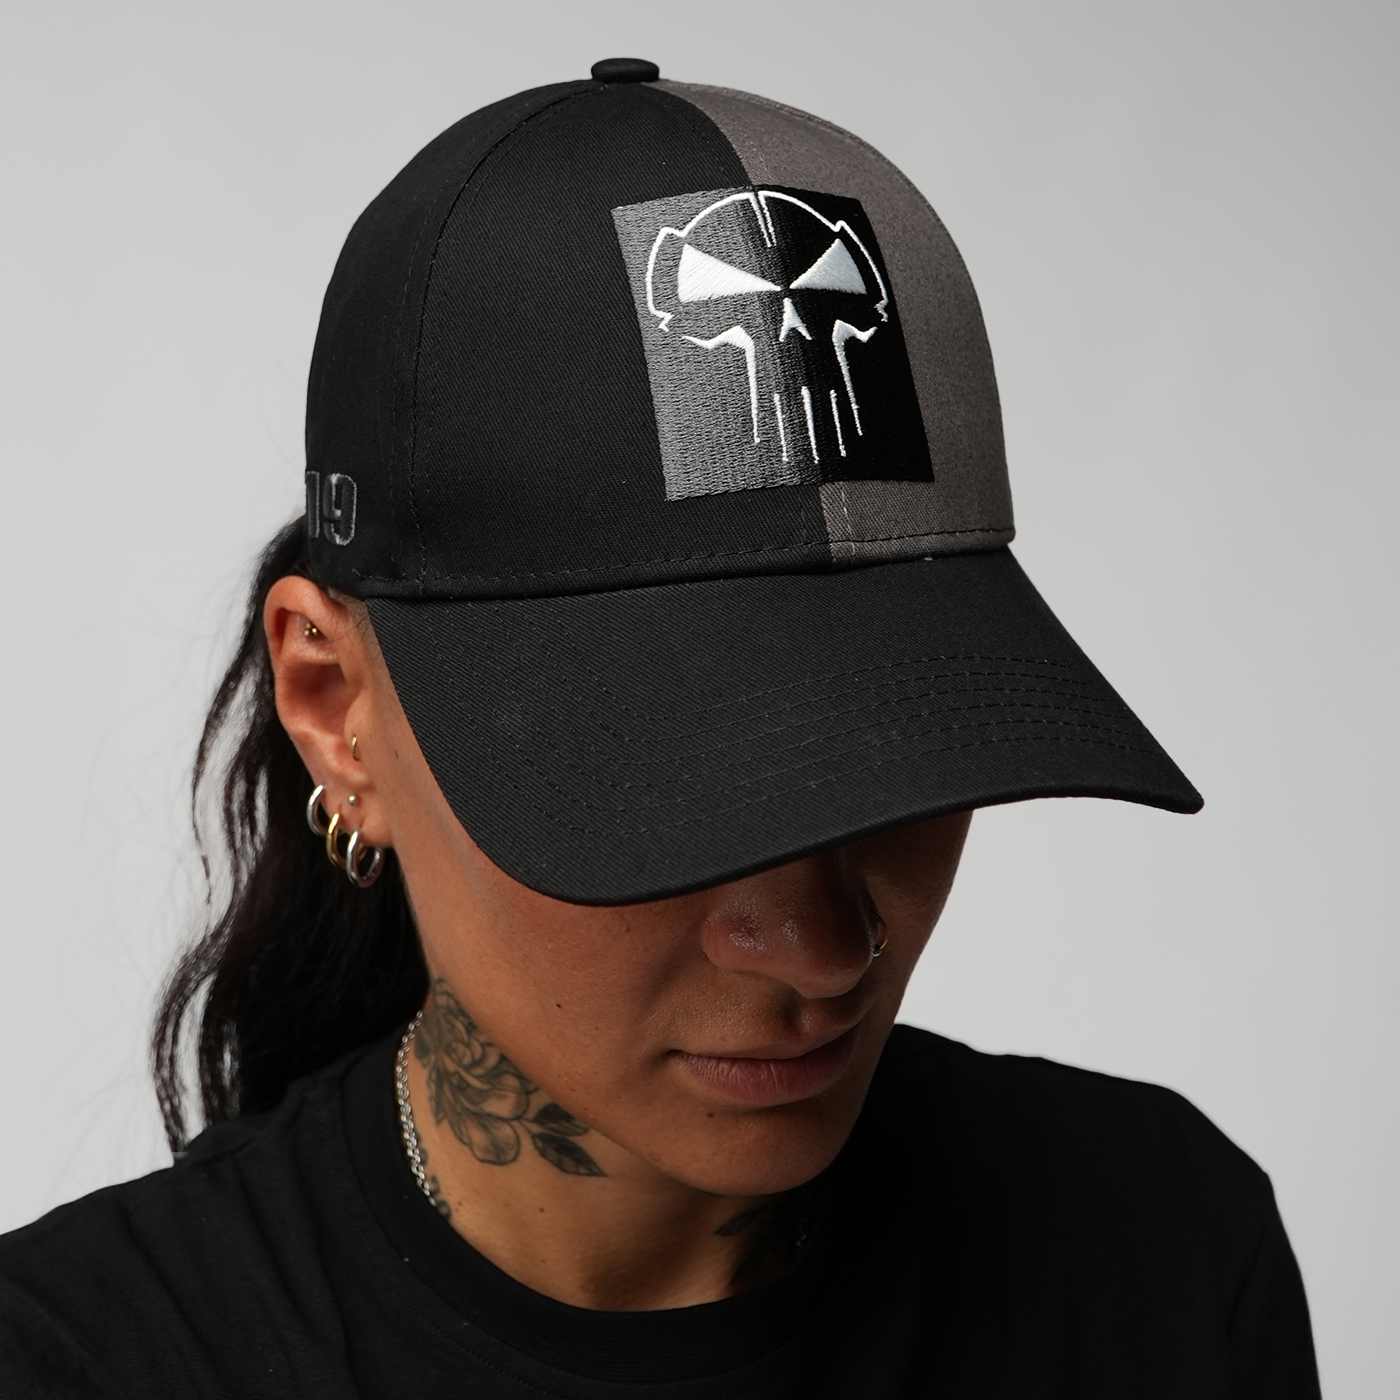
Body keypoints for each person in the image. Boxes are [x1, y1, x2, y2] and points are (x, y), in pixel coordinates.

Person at [0, 58, 1321, 1398]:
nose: (823, 946)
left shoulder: (1158, 1257)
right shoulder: (79, 1364)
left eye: (899, 750)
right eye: (673, 778)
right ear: (339, 709)